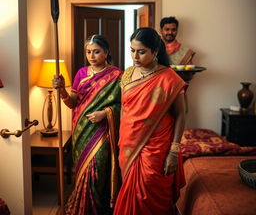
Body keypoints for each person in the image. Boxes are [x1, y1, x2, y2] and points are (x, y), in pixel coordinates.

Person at [113, 27, 187, 215]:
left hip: (157, 148)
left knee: (150, 189)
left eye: (141, 51)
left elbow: (180, 114)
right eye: (132, 50)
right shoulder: (128, 74)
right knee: (130, 190)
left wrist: (174, 151)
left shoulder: (170, 78)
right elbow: (125, 109)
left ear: (155, 52)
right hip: (128, 144)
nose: (135, 56)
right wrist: (121, 139)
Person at [52, 34, 123, 215]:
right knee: (82, 170)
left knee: (98, 169)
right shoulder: (81, 73)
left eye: (96, 51)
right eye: (88, 52)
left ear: (106, 52)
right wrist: (62, 92)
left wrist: (105, 113)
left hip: (103, 130)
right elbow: (73, 103)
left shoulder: (116, 75)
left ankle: (98, 209)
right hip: (81, 129)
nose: (91, 56)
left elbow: (123, 106)